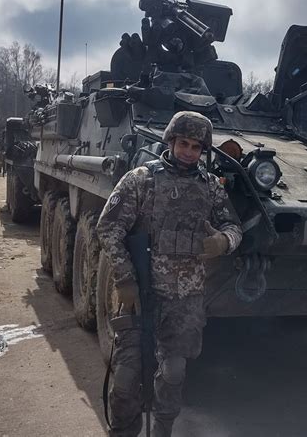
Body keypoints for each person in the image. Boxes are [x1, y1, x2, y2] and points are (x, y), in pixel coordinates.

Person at [96, 111, 242, 437]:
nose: (189, 152)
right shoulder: (141, 179)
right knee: (125, 379)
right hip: (142, 294)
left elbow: (234, 226)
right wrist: (124, 278)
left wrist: (223, 241)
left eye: (196, 147)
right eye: (183, 144)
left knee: (173, 374)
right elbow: (108, 228)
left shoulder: (210, 188)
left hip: (186, 300)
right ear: (171, 141)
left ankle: (162, 431)